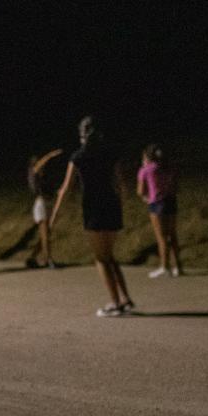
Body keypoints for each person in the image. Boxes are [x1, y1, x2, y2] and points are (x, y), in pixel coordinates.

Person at [49, 116, 134, 317]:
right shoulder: (111, 154)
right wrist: (122, 204)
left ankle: (115, 303)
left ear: (81, 135)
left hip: (93, 207)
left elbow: (66, 189)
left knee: (100, 258)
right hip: (111, 205)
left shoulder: (78, 157)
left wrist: (55, 215)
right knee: (110, 255)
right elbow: (121, 184)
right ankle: (125, 298)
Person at [137, 144, 182, 278]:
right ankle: (178, 267)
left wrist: (147, 198)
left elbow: (140, 191)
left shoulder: (145, 170)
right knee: (172, 235)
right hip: (171, 201)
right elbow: (176, 187)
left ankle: (164, 267)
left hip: (157, 204)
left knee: (161, 237)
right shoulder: (170, 167)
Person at [27, 149, 64, 268]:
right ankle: (48, 260)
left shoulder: (43, 178)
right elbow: (39, 165)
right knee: (45, 234)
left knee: (45, 234)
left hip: (46, 204)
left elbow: (49, 191)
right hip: (40, 205)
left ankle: (32, 257)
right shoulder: (33, 173)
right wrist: (50, 155)